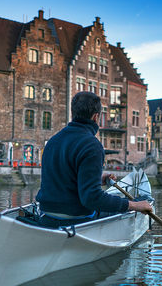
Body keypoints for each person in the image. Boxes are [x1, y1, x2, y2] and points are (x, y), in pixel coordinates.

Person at [36, 92, 153, 228]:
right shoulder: (92, 145)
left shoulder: (53, 141)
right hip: (75, 218)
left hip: (46, 214)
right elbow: (92, 199)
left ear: (73, 113)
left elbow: (64, 178)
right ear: (96, 117)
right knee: (127, 205)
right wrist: (133, 205)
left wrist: (97, 179)